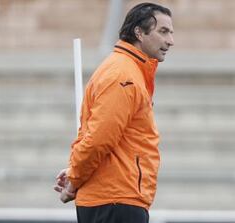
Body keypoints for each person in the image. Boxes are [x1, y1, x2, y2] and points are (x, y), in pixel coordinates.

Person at [53, 2, 174, 223]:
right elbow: (98, 140)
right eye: (163, 31)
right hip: (116, 201)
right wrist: (74, 177)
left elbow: (101, 138)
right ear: (139, 32)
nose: (170, 41)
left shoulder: (126, 70)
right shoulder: (123, 75)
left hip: (114, 198)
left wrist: (75, 171)